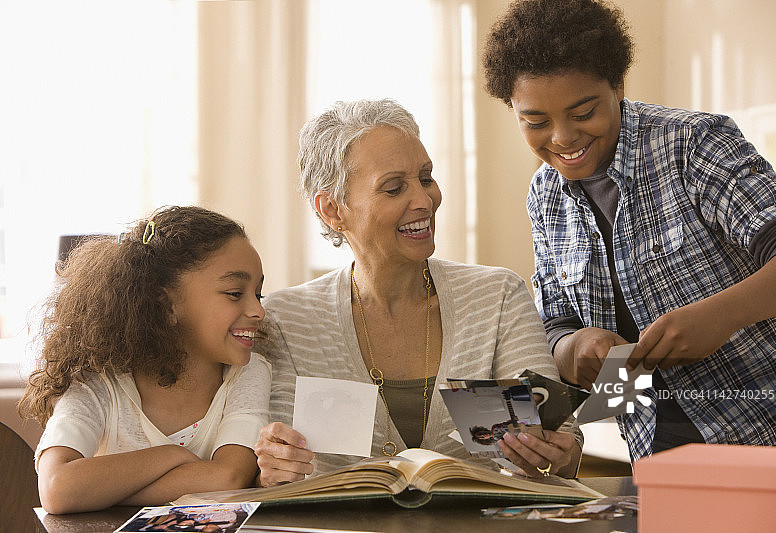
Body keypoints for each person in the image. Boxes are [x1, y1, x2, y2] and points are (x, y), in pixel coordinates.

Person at [482, 0, 776, 460]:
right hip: (657, 452)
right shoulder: (544, 195)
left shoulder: (691, 144)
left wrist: (720, 316)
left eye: (584, 112)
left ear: (618, 85)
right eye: (535, 122)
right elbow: (554, 326)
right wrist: (577, 347)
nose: (563, 138)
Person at [253, 98, 583, 485]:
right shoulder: (285, 319)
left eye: (426, 178)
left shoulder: (496, 296)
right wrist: (272, 466)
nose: (424, 201)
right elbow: (276, 469)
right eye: (394, 189)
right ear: (332, 209)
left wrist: (553, 453)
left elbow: (564, 443)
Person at [18, 206, 271, 514]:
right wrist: (172, 455)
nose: (258, 311)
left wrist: (100, 491)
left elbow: (229, 477)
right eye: (234, 293)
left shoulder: (249, 374)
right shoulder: (96, 380)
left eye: (257, 294)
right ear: (166, 304)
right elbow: (58, 488)